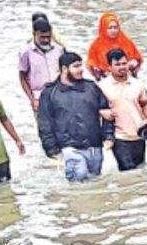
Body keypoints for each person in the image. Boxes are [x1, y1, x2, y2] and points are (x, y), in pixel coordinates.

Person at [38, 52, 110, 182]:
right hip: (69, 148)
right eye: (76, 66)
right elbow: (44, 123)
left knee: (96, 183)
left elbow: (107, 113)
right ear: (65, 69)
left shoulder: (91, 87)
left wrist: (108, 137)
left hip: (95, 146)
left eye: (81, 65)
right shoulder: (49, 93)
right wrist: (51, 149)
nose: (81, 69)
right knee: (80, 180)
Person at [99, 51, 147, 171]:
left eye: (124, 63)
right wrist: (100, 112)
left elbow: (145, 104)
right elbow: (92, 108)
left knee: (140, 169)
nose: (122, 67)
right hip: (118, 137)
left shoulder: (138, 84)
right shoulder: (101, 87)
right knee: (127, 170)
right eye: (117, 64)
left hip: (139, 135)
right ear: (109, 67)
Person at [19, 14, 66, 131]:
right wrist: (32, 100)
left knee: (64, 128)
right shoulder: (26, 52)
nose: (46, 40)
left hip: (60, 94)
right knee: (46, 131)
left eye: (48, 37)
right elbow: (22, 77)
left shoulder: (59, 49)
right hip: (39, 97)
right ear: (35, 34)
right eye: (42, 37)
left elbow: (65, 72)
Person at [84, 12, 141, 79]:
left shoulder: (126, 41)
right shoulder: (95, 46)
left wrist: (133, 63)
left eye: (115, 27)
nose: (113, 30)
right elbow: (92, 64)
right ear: (103, 28)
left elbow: (137, 58)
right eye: (110, 28)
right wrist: (100, 72)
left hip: (127, 77)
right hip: (105, 79)